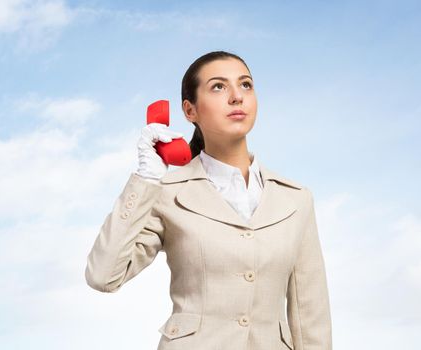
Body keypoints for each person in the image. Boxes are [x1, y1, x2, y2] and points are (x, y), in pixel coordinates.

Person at [85, 50, 332, 350]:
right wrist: (146, 179)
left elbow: (310, 316)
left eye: (245, 85)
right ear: (190, 111)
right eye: (218, 86)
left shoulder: (295, 200)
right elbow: (103, 276)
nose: (236, 97)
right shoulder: (166, 193)